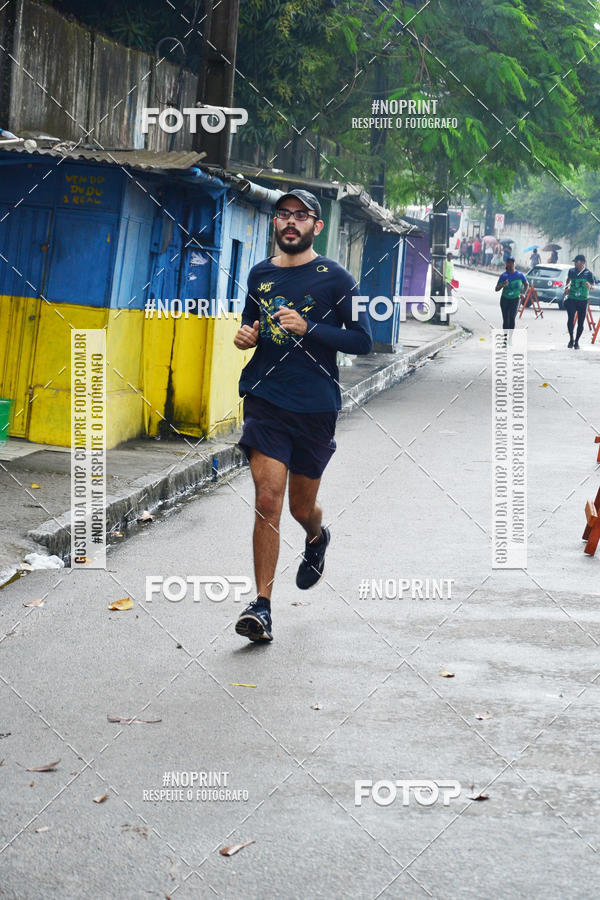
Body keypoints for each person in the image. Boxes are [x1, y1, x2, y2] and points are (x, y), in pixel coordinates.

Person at [232, 189, 373, 642]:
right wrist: (246, 337)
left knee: (300, 507)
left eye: (301, 215)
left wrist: (309, 327)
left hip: (314, 406)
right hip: (266, 398)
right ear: (275, 222)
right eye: (284, 214)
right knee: (268, 499)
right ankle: (262, 606)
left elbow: (363, 340)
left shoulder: (338, 279)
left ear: (317, 225)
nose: (291, 221)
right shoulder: (260, 274)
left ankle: (316, 536)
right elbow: (252, 324)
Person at [564, 254, 594, 349]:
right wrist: (566, 287)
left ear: (582, 262)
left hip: (583, 300)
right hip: (572, 298)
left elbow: (593, 286)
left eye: (576, 262)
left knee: (581, 323)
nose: (575, 264)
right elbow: (568, 280)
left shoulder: (588, 273)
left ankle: (577, 341)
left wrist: (590, 286)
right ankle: (571, 339)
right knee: (570, 319)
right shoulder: (571, 271)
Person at [495, 257, 528, 330]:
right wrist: (503, 284)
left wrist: (523, 293)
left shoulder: (520, 275)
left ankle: (510, 336)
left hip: (515, 299)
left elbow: (526, 284)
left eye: (512, 262)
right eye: (509, 262)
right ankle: (505, 336)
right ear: (506, 264)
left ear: (514, 264)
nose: (510, 264)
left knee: (512, 318)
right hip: (505, 299)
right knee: (506, 319)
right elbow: (496, 289)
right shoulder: (503, 276)